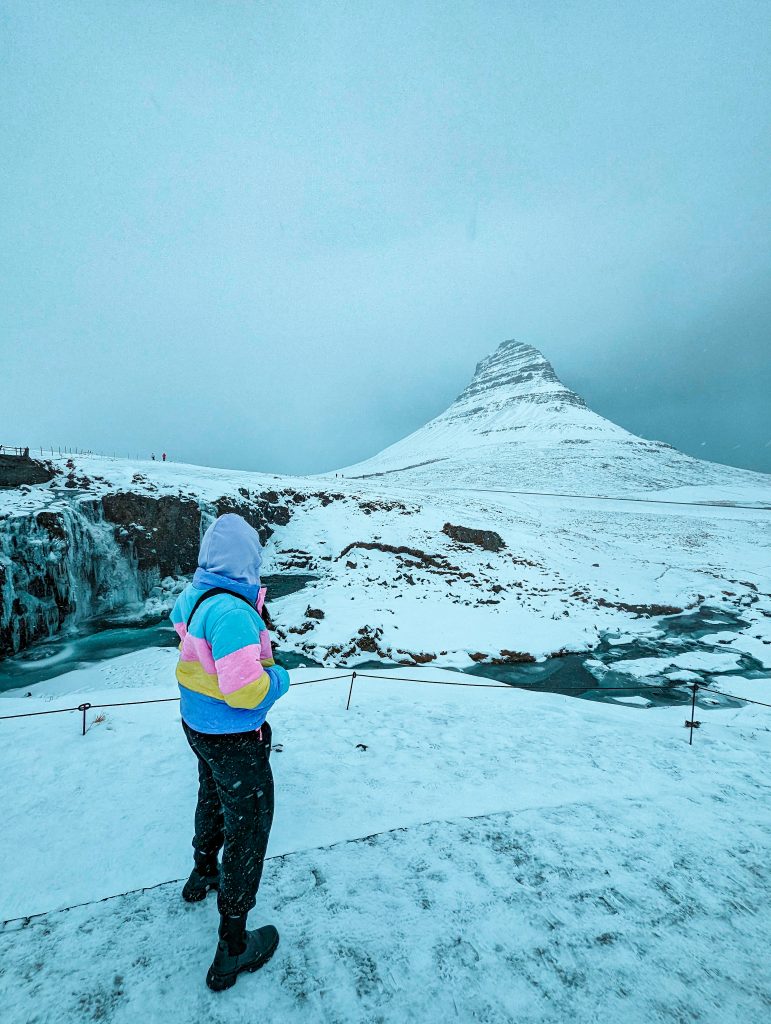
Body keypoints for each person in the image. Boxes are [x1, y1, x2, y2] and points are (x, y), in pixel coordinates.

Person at [170, 514, 290, 991]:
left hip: (197, 724)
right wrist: (280, 678)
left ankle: (202, 873)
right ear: (248, 562)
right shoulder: (235, 614)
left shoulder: (192, 597)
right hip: (234, 735)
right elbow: (245, 690)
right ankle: (233, 947)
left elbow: (185, 637)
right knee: (250, 823)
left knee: (212, 796)